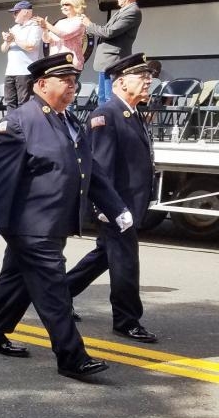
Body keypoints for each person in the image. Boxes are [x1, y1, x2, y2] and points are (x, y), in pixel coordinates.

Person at [0, 52, 131, 380]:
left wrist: (117, 209)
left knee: (16, 282)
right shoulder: (20, 120)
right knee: (54, 290)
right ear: (42, 84)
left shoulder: (68, 120)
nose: (73, 86)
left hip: (52, 223)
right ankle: (72, 356)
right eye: (66, 81)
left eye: (75, 81)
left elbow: (92, 172)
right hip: (30, 224)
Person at [65, 53, 159, 343]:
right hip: (116, 207)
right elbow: (99, 168)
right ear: (120, 81)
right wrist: (106, 207)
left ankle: (57, 293)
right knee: (126, 262)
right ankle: (127, 320)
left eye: (149, 77)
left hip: (130, 205)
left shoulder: (132, 112)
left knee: (104, 257)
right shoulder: (106, 116)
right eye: (141, 77)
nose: (148, 81)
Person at [83, 0, 142, 105]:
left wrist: (89, 25)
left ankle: (111, 123)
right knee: (102, 98)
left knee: (110, 99)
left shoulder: (132, 11)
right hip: (107, 61)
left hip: (114, 61)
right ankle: (104, 123)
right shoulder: (123, 11)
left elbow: (109, 32)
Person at [0, 0, 42, 111]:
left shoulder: (35, 27)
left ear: (26, 12)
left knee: (24, 103)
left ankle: (23, 128)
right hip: (10, 71)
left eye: (16, 12)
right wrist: (8, 41)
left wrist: (15, 39)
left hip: (25, 72)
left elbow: (31, 46)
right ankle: (12, 127)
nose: (14, 15)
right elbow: (3, 49)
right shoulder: (14, 28)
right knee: (10, 102)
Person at [38, 0, 88, 70]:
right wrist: (45, 30)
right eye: (62, 5)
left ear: (76, 4)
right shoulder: (60, 22)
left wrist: (47, 25)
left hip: (70, 64)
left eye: (67, 4)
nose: (63, 7)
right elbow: (47, 40)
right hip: (55, 63)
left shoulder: (80, 21)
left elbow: (64, 35)